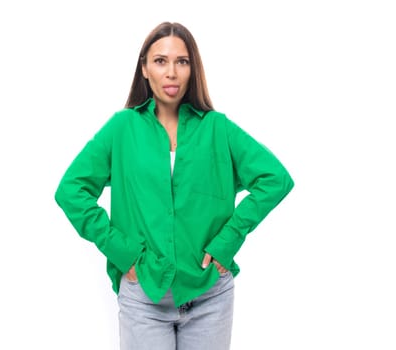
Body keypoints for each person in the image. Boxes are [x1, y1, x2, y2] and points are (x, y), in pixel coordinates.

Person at [54, 21, 294, 350]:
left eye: (181, 61)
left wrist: (228, 240)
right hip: (144, 296)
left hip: (210, 294)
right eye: (160, 61)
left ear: (192, 69)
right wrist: (122, 252)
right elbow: (71, 191)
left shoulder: (217, 128)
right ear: (144, 69)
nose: (171, 72)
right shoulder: (122, 128)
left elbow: (275, 179)